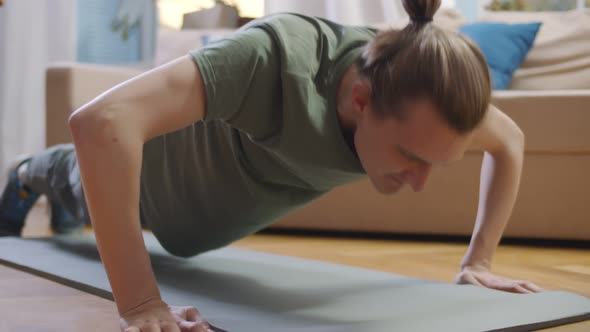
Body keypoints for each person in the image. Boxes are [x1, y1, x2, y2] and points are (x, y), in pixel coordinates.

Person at [0, 0, 543, 331]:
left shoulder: (420, 96)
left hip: (202, 225)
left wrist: (481, 260)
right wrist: (140, 302)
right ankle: (25, 175)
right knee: (71, 176)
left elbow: (510, 140)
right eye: (411, 158)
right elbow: (100, 122)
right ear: (359, 100)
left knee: (142, 223)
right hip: (156, 178)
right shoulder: (278, 58)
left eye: (438, 165)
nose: (420, 185)